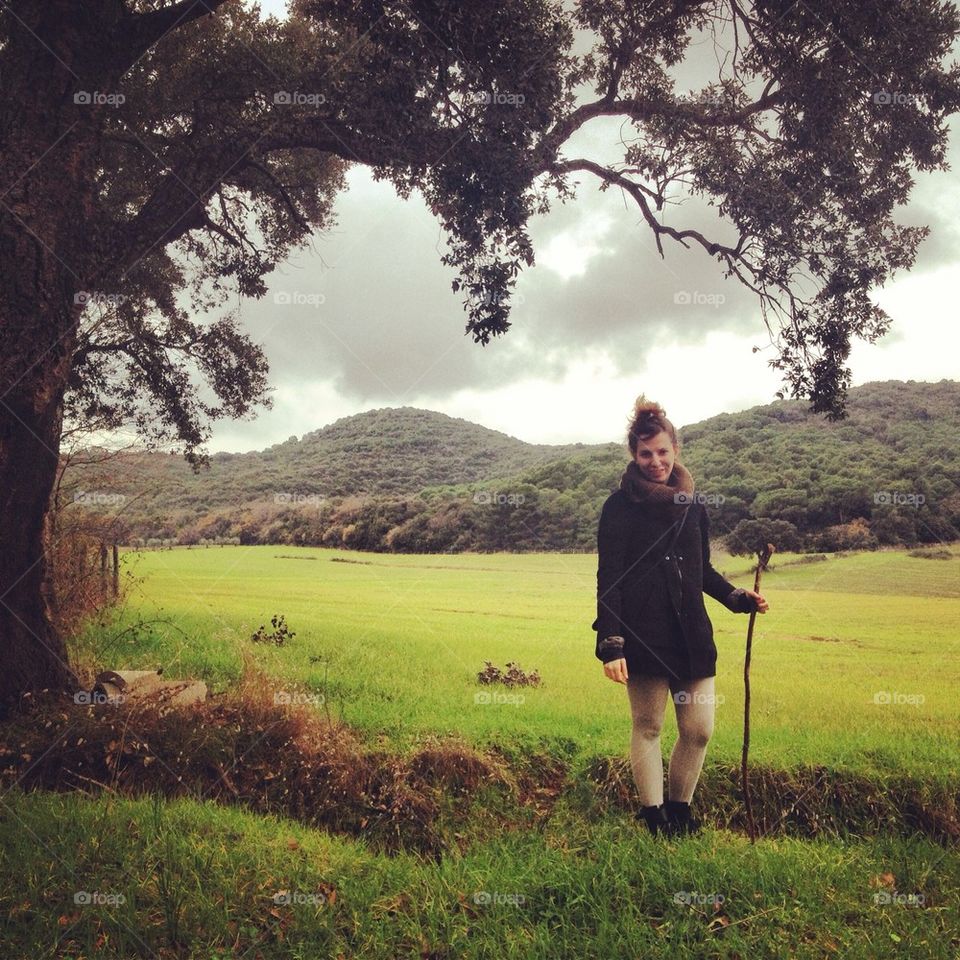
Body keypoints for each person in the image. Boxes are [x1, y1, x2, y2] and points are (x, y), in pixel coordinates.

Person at [592, 398, 769, 837]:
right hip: (642, 631)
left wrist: (735, 596)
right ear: (634, 455)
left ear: (676, 449)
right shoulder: (619, 507)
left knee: (699, 729)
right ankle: (654, 818)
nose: (655, 462)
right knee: (648, 725)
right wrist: (611, 644)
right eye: (646, 454)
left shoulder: (695, 506)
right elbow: (609, 576)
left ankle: (680, 810)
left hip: (691, 631)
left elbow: (701, 570)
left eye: (663, 452)